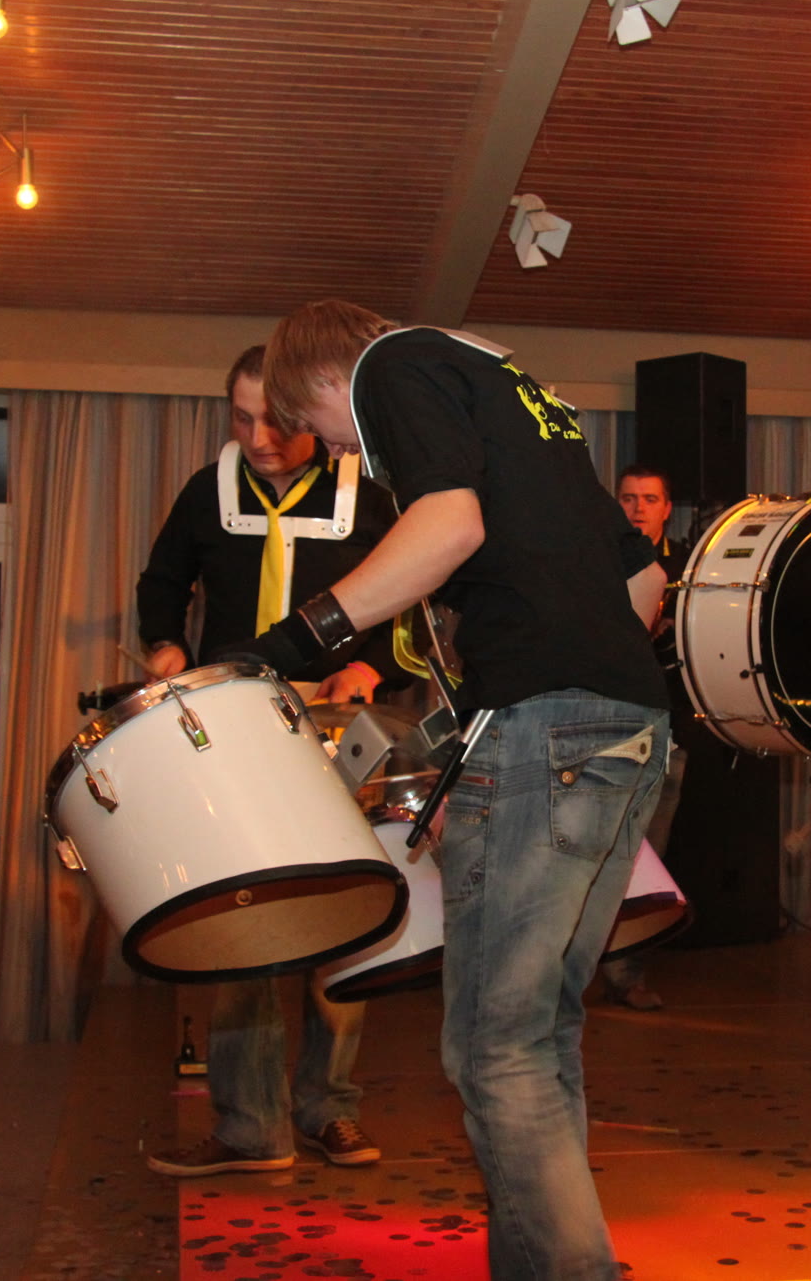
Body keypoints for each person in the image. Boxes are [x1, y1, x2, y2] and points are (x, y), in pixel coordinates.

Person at [257, 301, 669, 1281]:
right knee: (540, 1036)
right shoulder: (517, 395)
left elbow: (448, 524)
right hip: (632, 726)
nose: (339, 451)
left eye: (320, 429)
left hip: (546, 732)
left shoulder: (395, 366)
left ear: (328, 379)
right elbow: (645, 580)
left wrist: (293, 641)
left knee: (495, 1051)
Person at [138, 344, 401, 1176]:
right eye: (241, 417)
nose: (258, 438)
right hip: (236, 725)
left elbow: (412, 601)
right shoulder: (207, 491)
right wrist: (165, 644)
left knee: (342, 919)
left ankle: (330, 1108)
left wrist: (374, 667)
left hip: (335, 721)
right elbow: (162, 582)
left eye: (275, 421)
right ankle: (251, 1124)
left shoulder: (369, 496)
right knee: (243, 917)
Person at [600, 464, 689, 1010]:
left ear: (666, 509)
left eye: (649, 499)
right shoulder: (597, 559)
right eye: (629, 498)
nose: (637, 508)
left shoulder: (688, 568)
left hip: (668, 728)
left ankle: (628, 972)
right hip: (607, 725)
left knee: (651, 854)